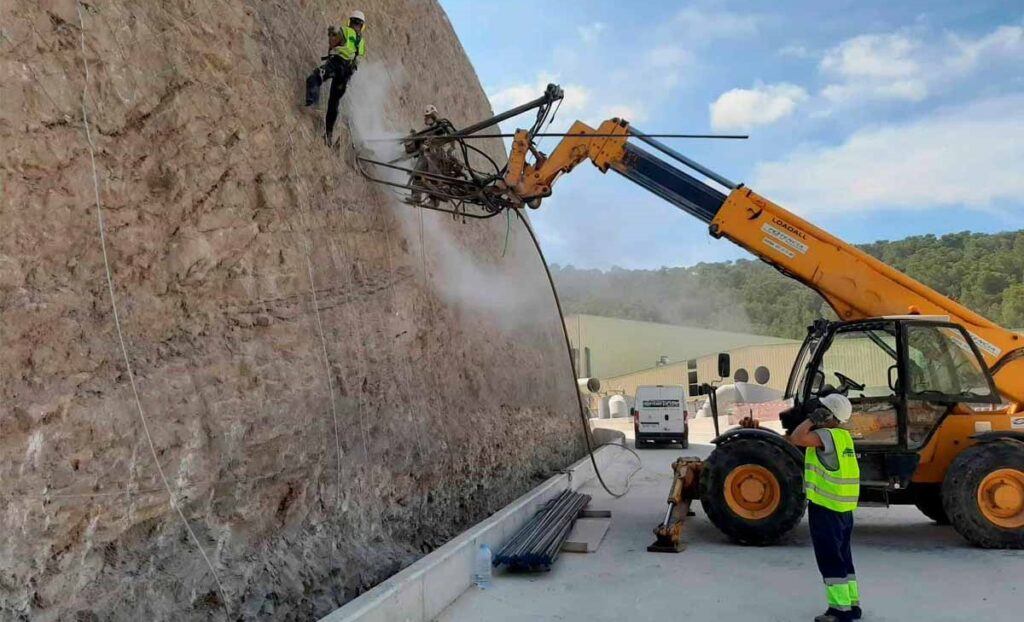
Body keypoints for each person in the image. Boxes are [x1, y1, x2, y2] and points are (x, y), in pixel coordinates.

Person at [789, 393, 862, 622]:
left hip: (826, 508)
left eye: (822, 410)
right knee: (843, 557)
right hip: (843, 509)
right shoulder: (844, 438)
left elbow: (797, 438)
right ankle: (851, 605)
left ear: (828, 414)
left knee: (830, 558)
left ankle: (838, 611)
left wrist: (811, 420)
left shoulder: (825, 436)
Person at [305, 10, 367, 144]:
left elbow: (333, 44)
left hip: (335, 64)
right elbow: (357, 62)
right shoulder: (361, 43)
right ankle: (328, 135)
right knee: (334, 103)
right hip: (345, 75)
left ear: (350, 21)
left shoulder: (345, 31)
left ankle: (312, 103)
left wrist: (331, 34)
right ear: (362, 26)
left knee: (314, 78)